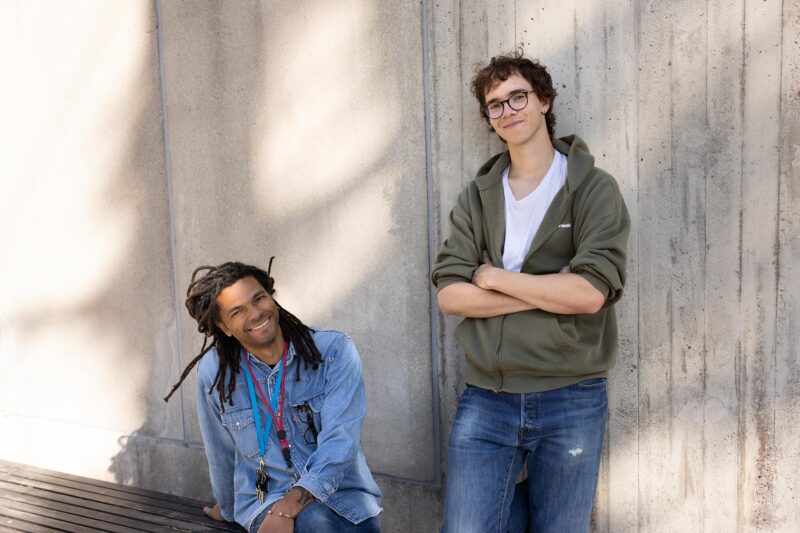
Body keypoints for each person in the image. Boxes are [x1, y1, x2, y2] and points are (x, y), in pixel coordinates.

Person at [431, 49, 630, 533]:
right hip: (487, 396)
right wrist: (547, 288)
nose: (507, 110)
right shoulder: (478, 196)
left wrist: (495, 278)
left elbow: (589, 294)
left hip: (571, 394)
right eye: (494, 104)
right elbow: (450, 297)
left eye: (517, 96)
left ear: (543, 100)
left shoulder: (592, 188)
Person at [164, 259, 382, 533]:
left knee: (315, 521)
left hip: (343, 500)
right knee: (311, 522)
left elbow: (341, 441)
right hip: (264, 501)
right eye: (237, 312)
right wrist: (228, 508)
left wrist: (292, 502)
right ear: (224, 327)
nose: (255, 313)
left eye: (259, 298)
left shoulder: (333, 352)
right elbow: (221, 452)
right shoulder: (216, 372)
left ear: (272, 298)